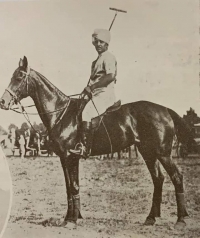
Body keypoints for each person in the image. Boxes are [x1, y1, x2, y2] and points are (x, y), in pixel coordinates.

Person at [70, 28, 117, 159]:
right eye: (96, 42)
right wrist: (87, 90)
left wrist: (93, 87)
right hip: (95, 94)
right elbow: (93, 81)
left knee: (87, 113)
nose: (98, 45)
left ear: (107, 43)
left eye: (101, 42)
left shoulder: (108, 57)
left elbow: (110, 76)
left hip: (105, 94)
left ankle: (85, 148)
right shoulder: (95, 62)